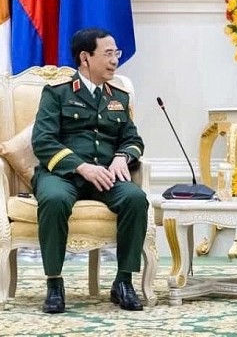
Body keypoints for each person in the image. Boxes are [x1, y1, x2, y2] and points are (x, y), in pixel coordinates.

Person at [31, 27, 148, 314]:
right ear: (85, 57)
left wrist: (122, 157)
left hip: (106, 176)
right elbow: (43, 141)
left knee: (135, 199)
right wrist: (81, 167)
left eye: (116, 53)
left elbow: (133, 140)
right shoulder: (57, 94)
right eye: (108, 54)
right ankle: (54, 284)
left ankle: (123, 282)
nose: (114, 60)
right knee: (55, 200)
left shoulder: (118, 96)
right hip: (63, 174)